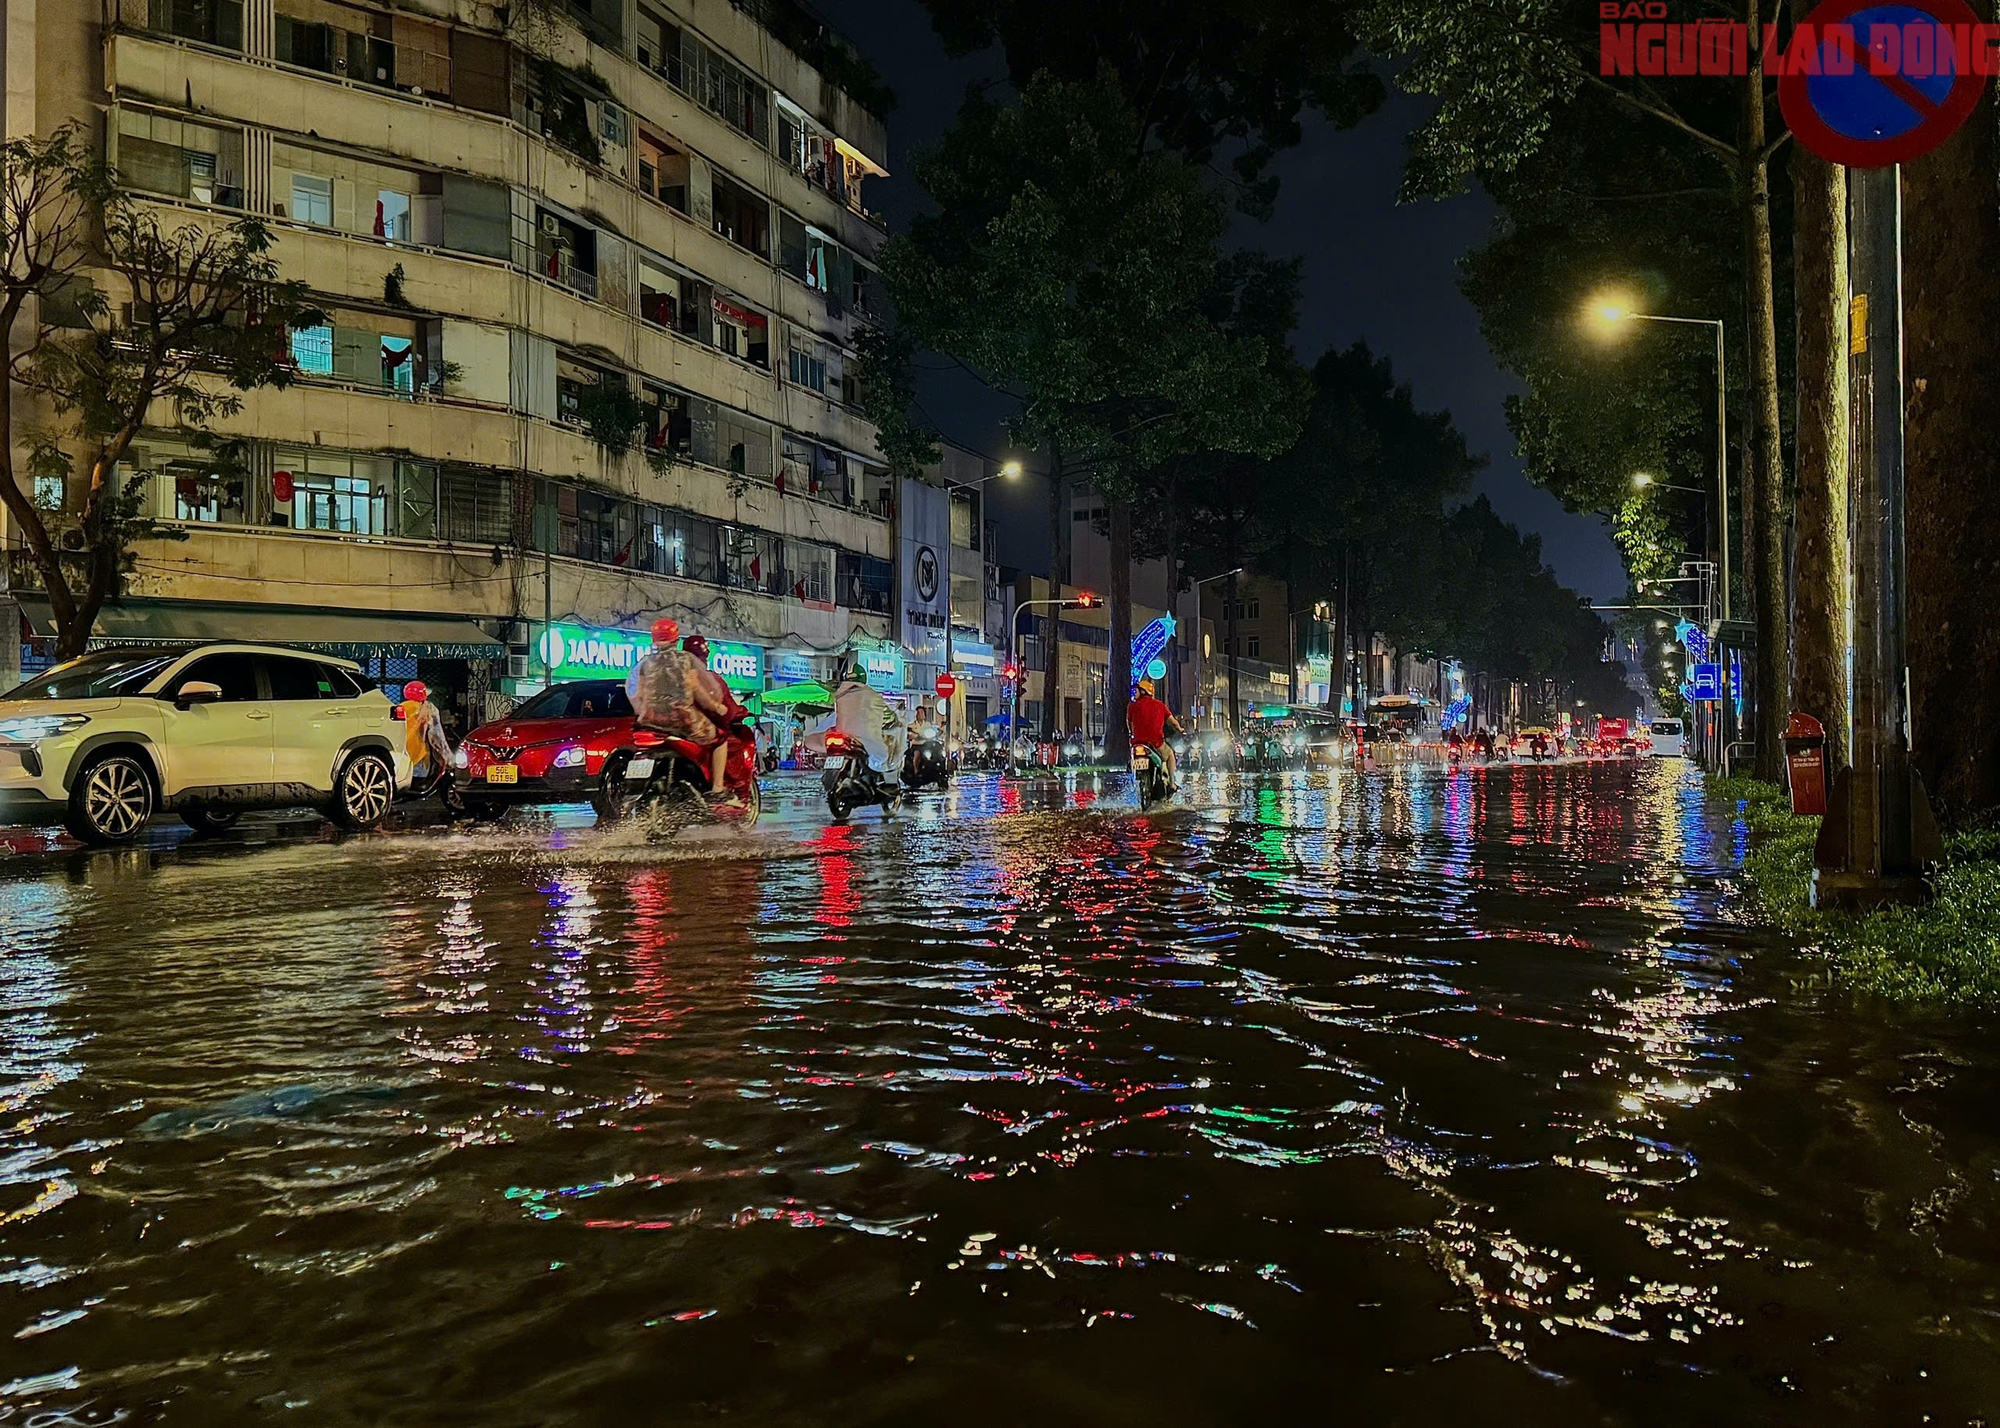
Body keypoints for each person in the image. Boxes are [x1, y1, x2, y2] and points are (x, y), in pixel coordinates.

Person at [627, 618, 735, 800]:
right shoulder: (685, 661)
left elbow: (638, 694)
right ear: (676, 639)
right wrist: (716, 706)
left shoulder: (645, 664)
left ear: (653, 638)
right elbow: (697, 690)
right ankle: (717, 789)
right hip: (682, 721)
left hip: (650, 722)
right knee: (720, 738)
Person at [681, 632, 747, 802]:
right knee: (721, 739)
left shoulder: (666, 673)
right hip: (694, 728)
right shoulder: (702, 677)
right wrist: (720, 708)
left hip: (668, 726)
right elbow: (713, 701)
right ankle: (717, 788)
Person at [832, 660, 907, 785]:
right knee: (881, 750)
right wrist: (894, 720)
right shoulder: (870, 696)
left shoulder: (841, 695)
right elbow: (885, 713)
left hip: (844, 735)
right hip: (861, 736)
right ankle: (877, 776)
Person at [1127, 678, 1181, 787]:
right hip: (1156, 743)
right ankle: (1172, 783)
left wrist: (1131, 732)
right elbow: (1173, 722)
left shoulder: (1132, 706)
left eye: (1137, 691)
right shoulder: (1160, 705)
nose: (1135, 693)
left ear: (1143, 691)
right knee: (1170, 755)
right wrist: (1179, 728)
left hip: (1137, 742)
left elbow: (1129, 722)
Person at [398, 680, 452, 786]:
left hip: (402, 756)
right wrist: (448, 757)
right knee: (418, 782)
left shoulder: (400, 707)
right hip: (419, 755)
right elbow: (437, 735)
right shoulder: (429, 710)